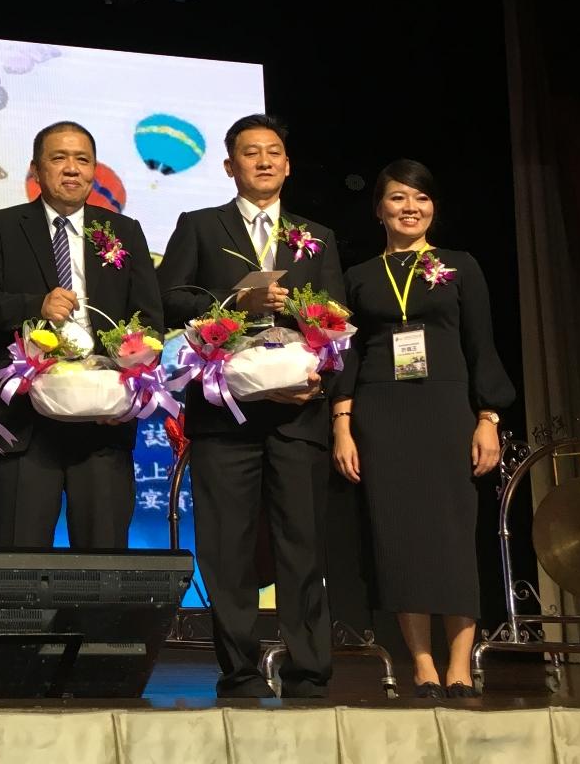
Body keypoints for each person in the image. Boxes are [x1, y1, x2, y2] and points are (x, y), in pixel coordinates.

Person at [156, 113, 343, 698]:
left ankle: (309, 668)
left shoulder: (317, 234)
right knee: (227, 545)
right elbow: (170, 299)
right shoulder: (200, 225)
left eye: (273, 152)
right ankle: (237, 669)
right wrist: (239, 297)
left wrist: (318, 378)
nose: (263, 161)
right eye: (250, 153)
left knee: (301, 543)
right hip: (223, 414)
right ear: (229, 165)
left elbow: (336, 316)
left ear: (287, 164)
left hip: (297, 411)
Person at [332, 159, 513, 699]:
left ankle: (461, 664)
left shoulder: (459, 266)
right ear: (379, 210)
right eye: (398, 199)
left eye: (421, 198)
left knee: (454, 534)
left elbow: (481, 345)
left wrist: (488, 417)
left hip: (446, 412)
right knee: (399, 537)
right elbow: (347, 355)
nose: (410, 208)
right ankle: (423, 664)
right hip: (381, 415)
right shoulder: (359, 276)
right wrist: (343, 425)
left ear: (432, 207)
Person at [0, 121, 163, 549]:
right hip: (24, 420)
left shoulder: (124, 232)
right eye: (59, 158)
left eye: (82, 160)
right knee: (19, 559)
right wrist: (35, 306)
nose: (72, 169)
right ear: (36, 169)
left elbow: (149, 320)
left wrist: (128, 386)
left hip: (103, 418)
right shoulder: (0, 227)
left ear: (94, 170)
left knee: (104, 559)